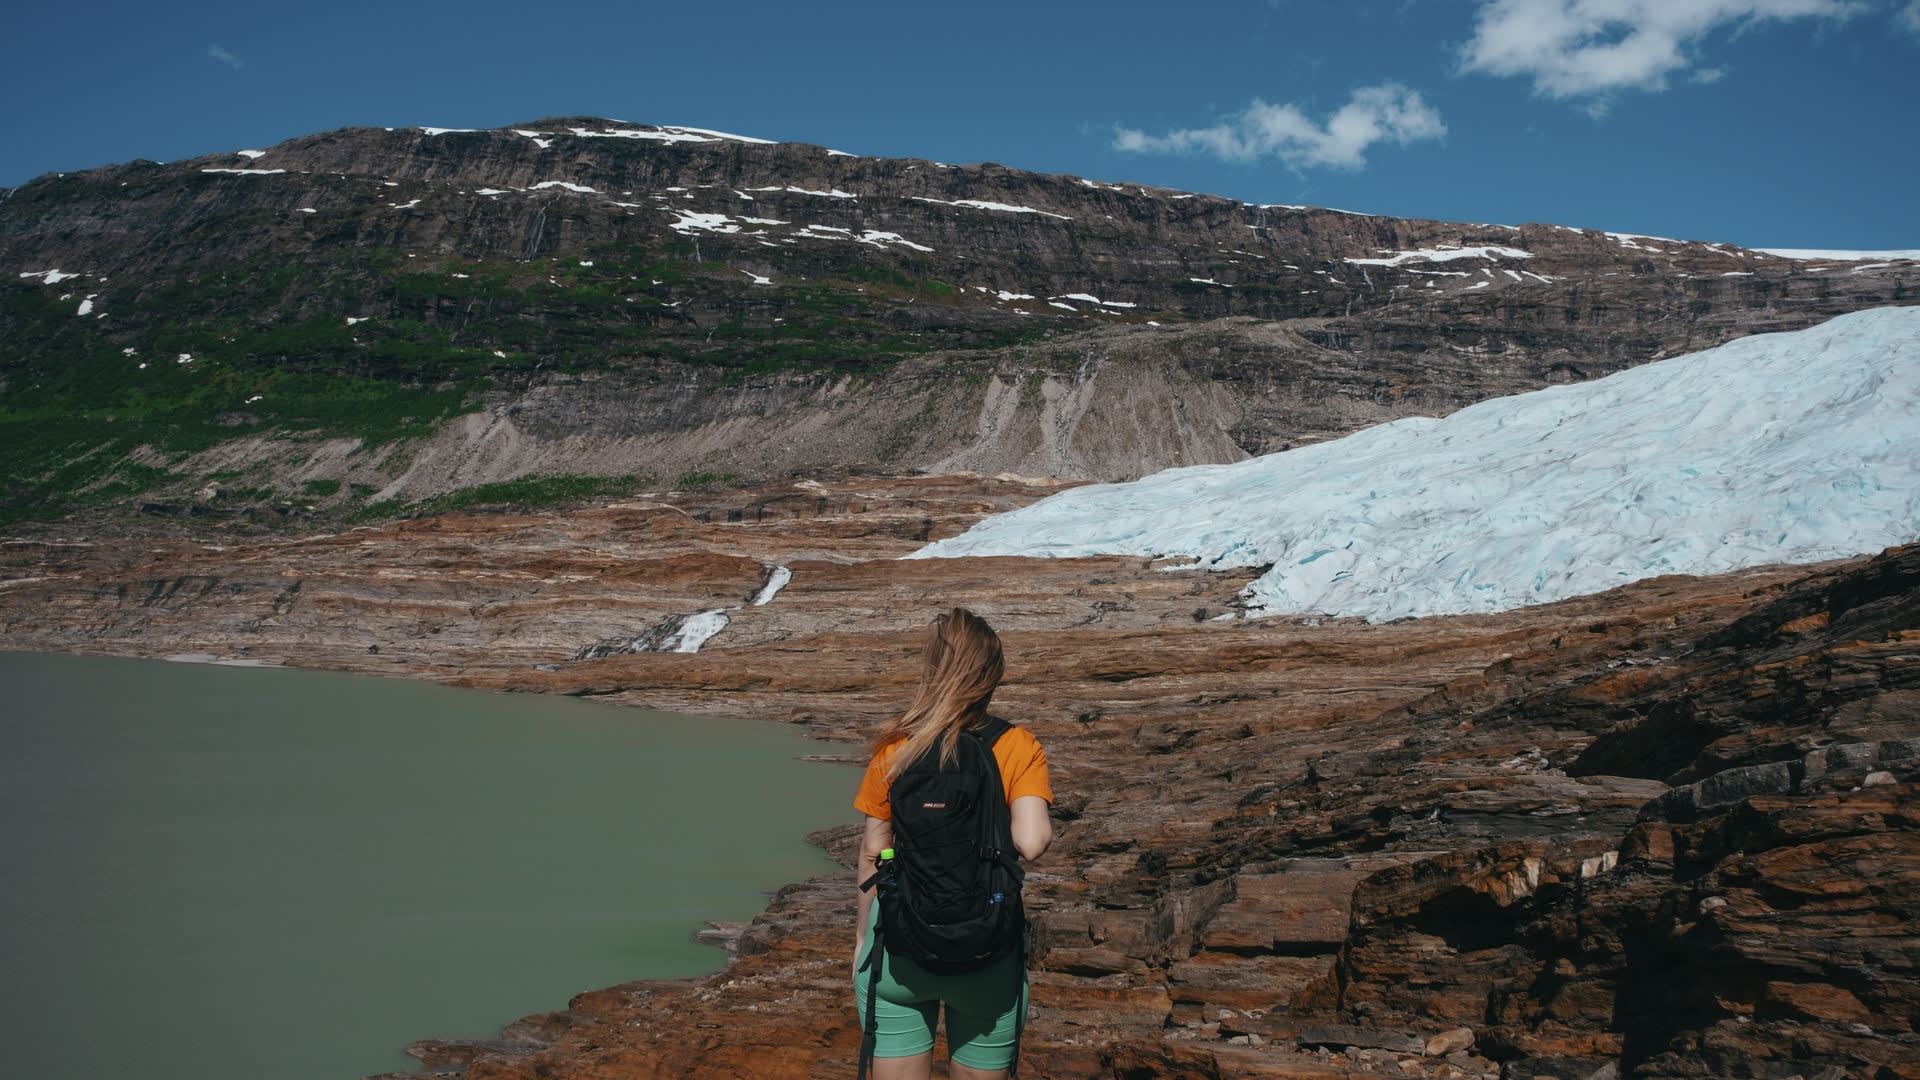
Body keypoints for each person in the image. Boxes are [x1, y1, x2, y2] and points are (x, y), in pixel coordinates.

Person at [852, 608, 1054, 1080]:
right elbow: (1031, 842)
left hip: (899, 946)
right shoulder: (1017, 746)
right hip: (986, 950)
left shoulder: (896, 748)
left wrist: (862, 943)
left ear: (934, 670)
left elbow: (871, 853)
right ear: (992, 674)